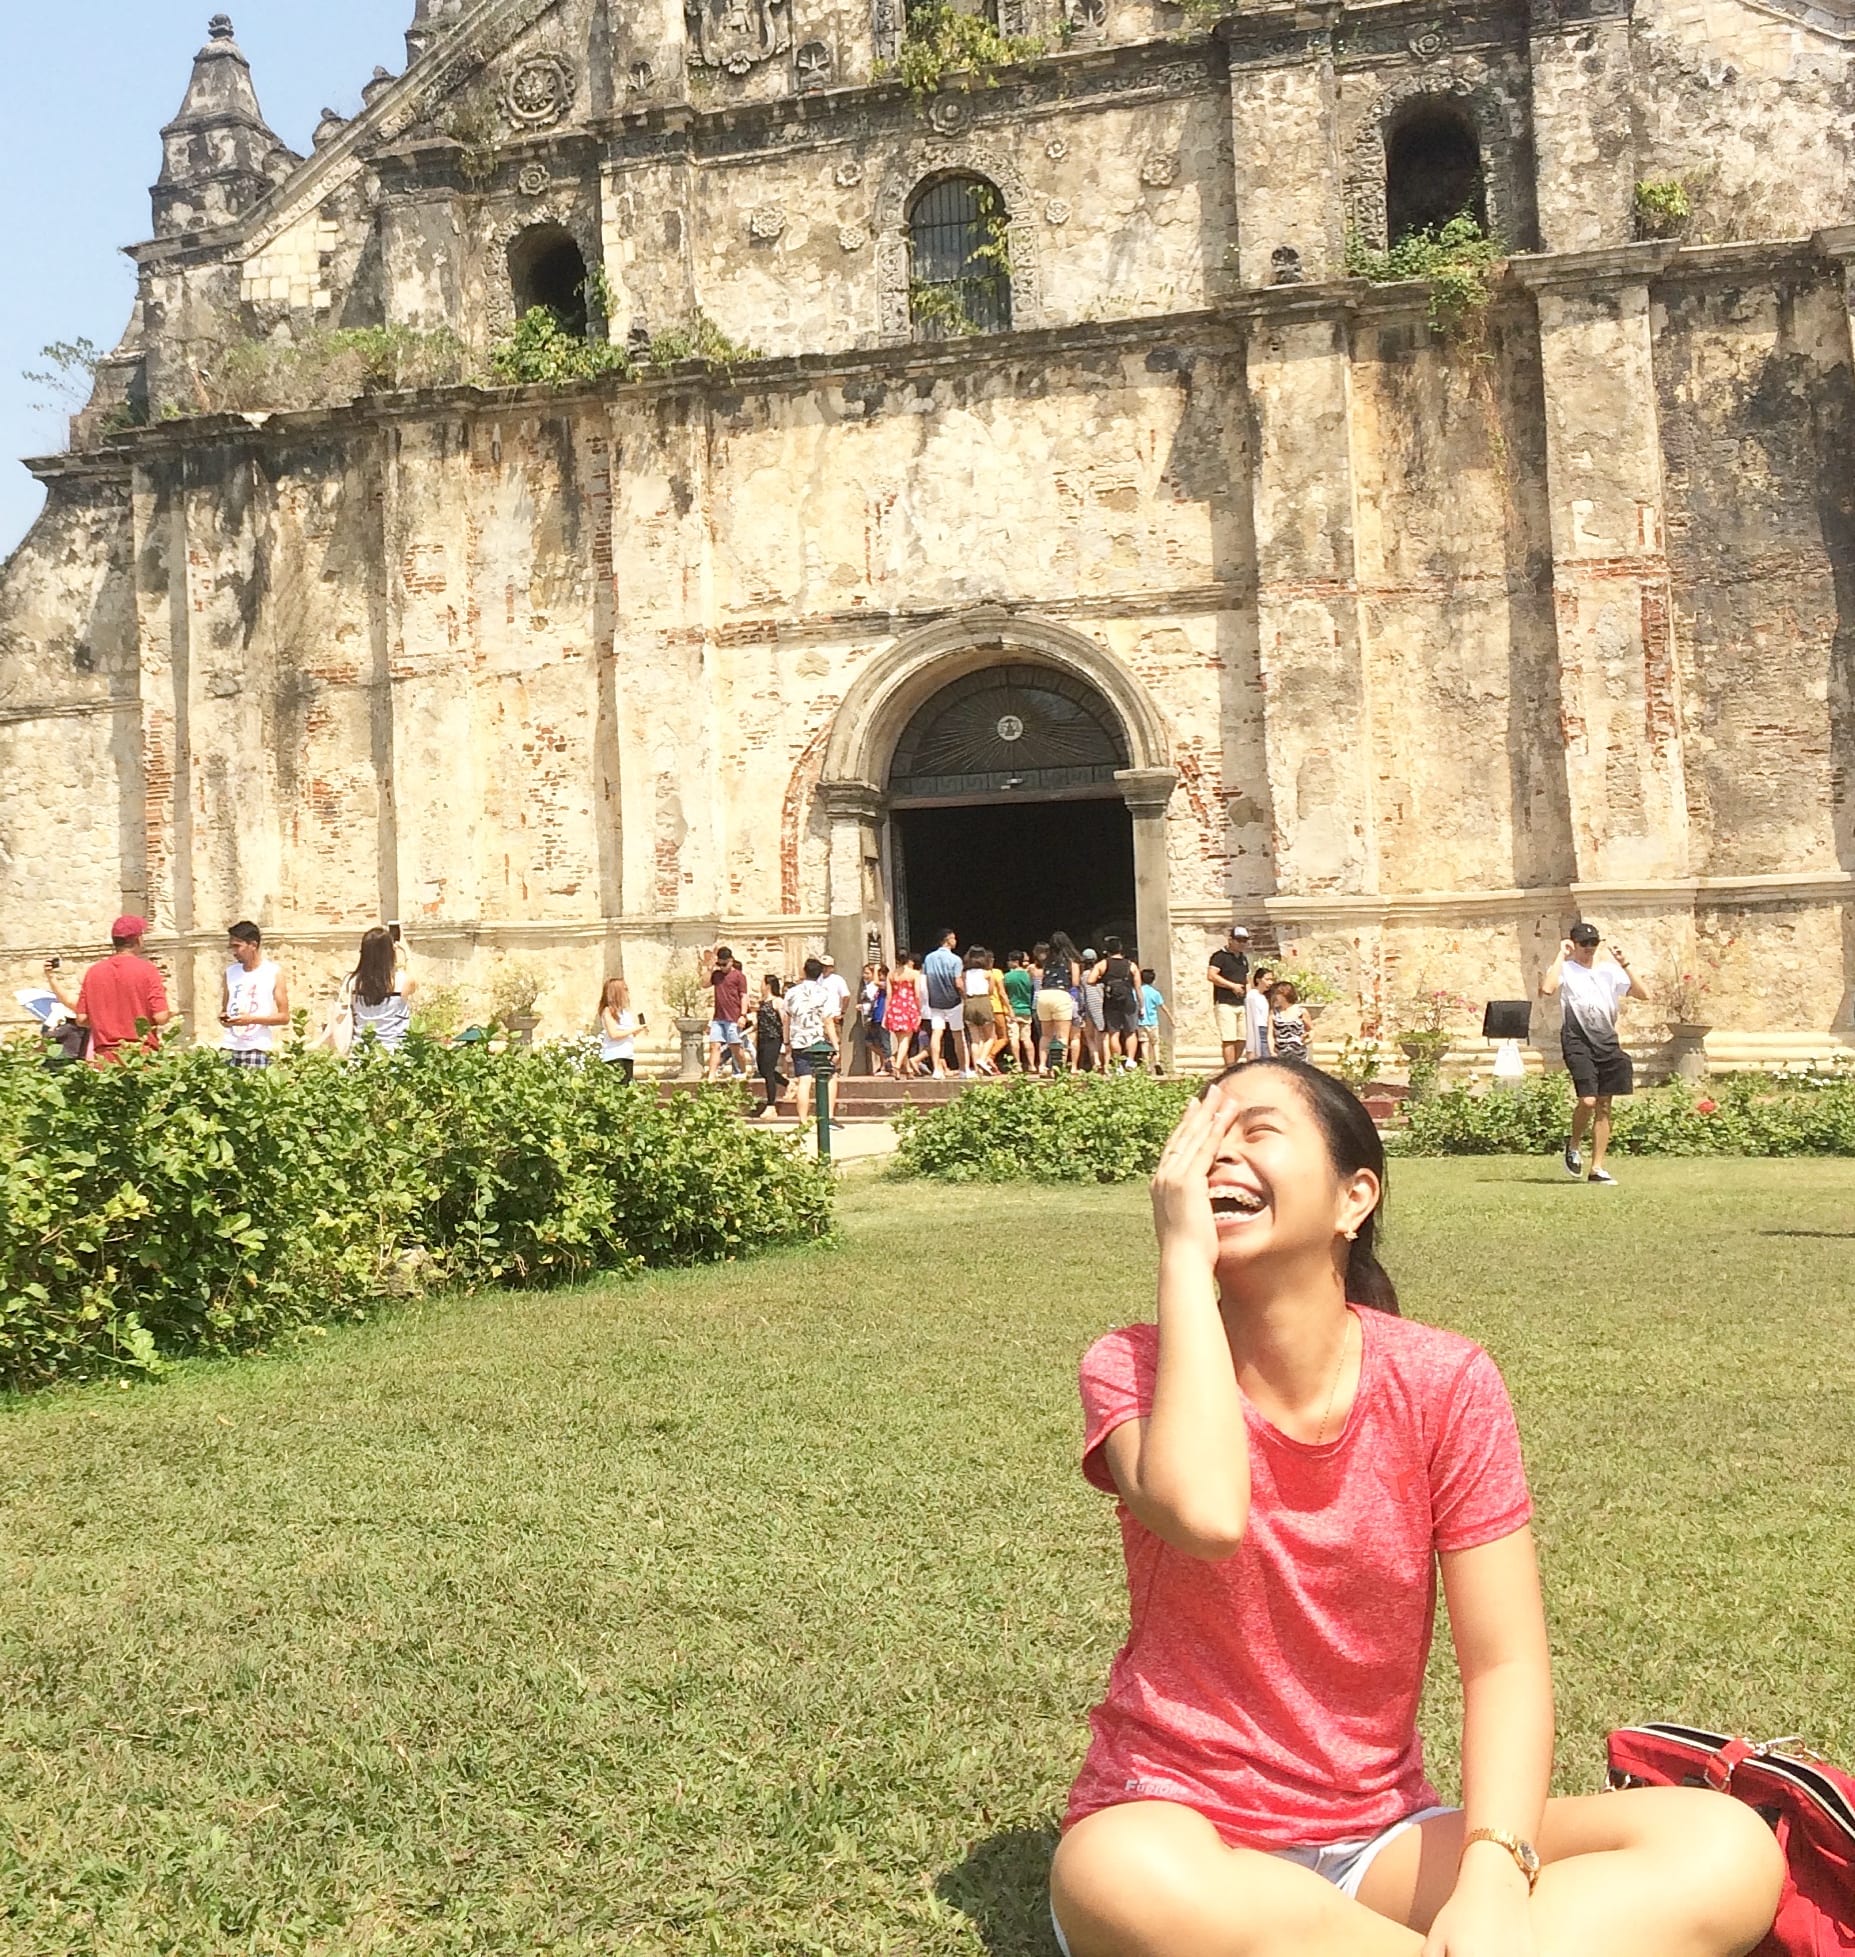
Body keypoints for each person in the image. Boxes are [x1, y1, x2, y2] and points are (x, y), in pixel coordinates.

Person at [1048, 1058, 1785, 1957]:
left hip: (1378, 1842)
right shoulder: (1129, 1365)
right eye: (1200, 1138)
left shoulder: (1442, 1381)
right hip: (1180, 1834)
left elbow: (1503, 1663)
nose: (1215, 1157)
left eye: (1254, 1130)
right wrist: (1179, 1255)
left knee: (1722, 1847)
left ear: (1353, 1198)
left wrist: (1492, 1879)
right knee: (1121, 1875)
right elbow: (1205, 1514)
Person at [1539, 922, 1647, 1186]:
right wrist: (1560, 955)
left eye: (1593, 943)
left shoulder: (1609, 971)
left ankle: (1597, 1168)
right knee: (1587, 1101)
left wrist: (1625, 964)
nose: (1589, 948)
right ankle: (1574, 1144)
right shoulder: (1565, 969)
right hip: (1577, 1041)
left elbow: (1644, 994)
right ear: (1574, 944)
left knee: (1604, 1105)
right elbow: (1547, 989)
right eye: (1584, 944)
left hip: (1607, 1043)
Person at [43, 915, 174, 1063]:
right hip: (141, 1056)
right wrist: (170, 1014)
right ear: (138, 939)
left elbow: (82, 1019)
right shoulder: (147, 970)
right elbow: (160, 1017)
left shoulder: (94, 972)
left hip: (106, 1058)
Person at [218, 920, 290, 1067]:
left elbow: (284, 1017)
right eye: (232, 947)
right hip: (229, 1046)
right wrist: (224, 1018)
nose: (234, 952)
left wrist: (251, 1020)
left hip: (256, 1048)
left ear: (253, 945)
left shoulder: (272, 972)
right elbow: (225, 1010)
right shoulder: (230, 972)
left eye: (237, 946)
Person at [783, 955, 840, 1126]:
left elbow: (787, 1019)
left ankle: (803, 1119)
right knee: (830, 1075)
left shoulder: (792, 992)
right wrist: (836, 1046)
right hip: (818, 1042)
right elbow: (828, 1021)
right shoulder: (824, 993)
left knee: (804, 1079)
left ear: (804, 971)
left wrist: (786, 1042)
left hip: (798, 1040)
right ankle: (828, 1116)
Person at [342, 926, 416, 1053]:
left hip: (361, 1053)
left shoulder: (352, 981)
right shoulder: (401, 981)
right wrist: (406, 953)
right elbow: (414, 981)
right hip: (394, 1054)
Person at [922, 928, 967, 1079]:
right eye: (953, 938)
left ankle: (937, 1069)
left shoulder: (929, 958)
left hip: (935, 1001)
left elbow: (926, 978)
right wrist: (964, 996)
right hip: (953, 1000)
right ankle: (963, 1069)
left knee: (936, 1033)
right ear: (947, 940)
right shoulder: (955, 960)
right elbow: (958, 982)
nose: (955, 941)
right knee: (958, 1034)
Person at [1037, 932, 1084, 1071]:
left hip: (1043, 995)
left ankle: (1042, 1065)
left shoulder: (1047, 961)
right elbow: (1075, 982)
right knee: (1062, 1035)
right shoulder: (1071, 961)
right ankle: (1059, 1067)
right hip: (1061, 994)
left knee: (1045, 1035)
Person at [703, 946, 750, 1082]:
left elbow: (744, 996)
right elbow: (704, 984)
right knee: (715, 1045)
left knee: (735, 1046)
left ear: (731, 960)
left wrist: (743, 1015)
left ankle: (743, 1070)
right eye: (720, 964)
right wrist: (710, 968)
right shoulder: (717, 975)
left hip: (733, 1017)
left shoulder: (739, 976)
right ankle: (712, 1075)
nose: (722, 967)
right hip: (718, 1017)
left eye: (725, 964)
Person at [1208, 927, 1252, 1069]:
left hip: (1241, 1003)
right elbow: (1211, 975)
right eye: (1239, 940)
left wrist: (1249, 996)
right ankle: (1230, 1068)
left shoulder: (1243, 959)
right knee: (1229, 1038)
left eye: (1244, 940)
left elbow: (1246, 979)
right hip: (1225, 1002)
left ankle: (1233, 1066)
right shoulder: (1219, 956)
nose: (1242, 943)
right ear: (1230, 940)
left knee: (1242, 1038)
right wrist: (1232, 986)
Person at [1095, 937, 1142, 1070]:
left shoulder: (1103, 964)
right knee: (1130, 1032)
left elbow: (1090, 980)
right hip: (1128, 1001)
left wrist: (1103, 980)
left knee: (1114, 1033)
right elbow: (1138, 988)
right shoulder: (1131, 965)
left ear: (1107, 951)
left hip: (1111, 1001)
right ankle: (1130, 1060)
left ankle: (1118, 1064)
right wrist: (1141, 1005)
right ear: (1121, 949)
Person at [753, 973, 788, 1115]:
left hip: (774, 1038)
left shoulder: (777, 1001)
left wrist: (786, 1040)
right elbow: (760, 1022)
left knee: (768, 1070)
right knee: (762, 1069)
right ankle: (787, 1083)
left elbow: (784, 1020)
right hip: (762, 1038)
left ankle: (771, 1104)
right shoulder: (762, 1002)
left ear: (768, 985)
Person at [596, 975, 641, 1082]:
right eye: (624, 989)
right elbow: (614, 1034)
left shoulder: (625, 1013)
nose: (627, 992)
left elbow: (628, 1034)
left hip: (627, 1055)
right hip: (615, 1056)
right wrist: (633, 1030)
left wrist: (638, 1030)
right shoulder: (608, 1011)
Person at [886, 952, 924, 1077]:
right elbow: (917, 994)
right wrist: (919, 1010)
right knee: (905, 1041)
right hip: (909, 1006)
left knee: (901, 1041)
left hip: (895, 1006)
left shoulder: (891, 974)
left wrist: (886, 1012)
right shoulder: (914, 974)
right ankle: (897, 1066)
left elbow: (889, 995)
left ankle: (908, 1070)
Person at [962, 946, 998, 1075]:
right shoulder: (988, 974)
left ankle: (977, 1069)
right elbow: (991, 991)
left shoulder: (964, 974)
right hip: (983, 1001)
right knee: (991, 1037)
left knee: (975, 1039)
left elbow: (963, 990)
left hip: (969, 1002)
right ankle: (982, 1060)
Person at [1004, 951, 1037, 1074]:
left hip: (1012, 1010)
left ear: (1015, 962)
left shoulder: (1007, 977)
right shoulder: (1028, 976)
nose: (1008, 963)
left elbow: (1004, 993)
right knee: (1027, 1038)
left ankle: (1018, 1065)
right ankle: (1032, 1065)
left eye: (1010, 960)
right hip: (1026, 1010)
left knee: (1014, 1038)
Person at [863, 964, 895, 1078]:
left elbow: (876, 982)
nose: (879, 977)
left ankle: (889, 1066)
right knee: (871, 1042)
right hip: (876, 1016)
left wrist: (876, 969)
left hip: (883, 1017)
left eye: (880, 974)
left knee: (885, 1043)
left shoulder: (887, 984)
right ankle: (888, 1062)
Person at [1138, 966, 1171, 1074]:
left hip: (1142, 1022)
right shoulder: (1155, 993)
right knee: (1155, 1043)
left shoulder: (1138, 992)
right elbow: (1163, 1006)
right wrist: (1171, 1018)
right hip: (1153, 1022)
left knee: (1144, 1043)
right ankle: (1157, 1063)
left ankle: (1146, 1066)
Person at [1078, 950, 1107, 1073]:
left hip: (1089, 1007)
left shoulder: (1084, 975)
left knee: (1089, 1037)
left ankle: (1096, 1061)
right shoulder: (1101, 972)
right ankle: (1106, 1063)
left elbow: (1082, 994)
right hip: (1102, 1006)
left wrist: (1081, 1010)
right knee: (1102, 1036)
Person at [1268, 978, 1309, 1062]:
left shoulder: (1301, 1011)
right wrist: (1271, 1051)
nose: (1275, 997)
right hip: (1280, 1053)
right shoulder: (1274, 1013)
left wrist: (1307, 1038)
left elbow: (1311, 1030)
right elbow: (1270, 1035)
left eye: (1278, 994)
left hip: (1299, 1054)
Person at [1244, 964, 1276, 1063]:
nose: (1270, 982)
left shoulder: (1268, 996)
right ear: (1258, 980)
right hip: (1257, 1028)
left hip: (1267, 1029)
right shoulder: (1252, 995)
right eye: (1267, 979)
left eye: (1271, 980)